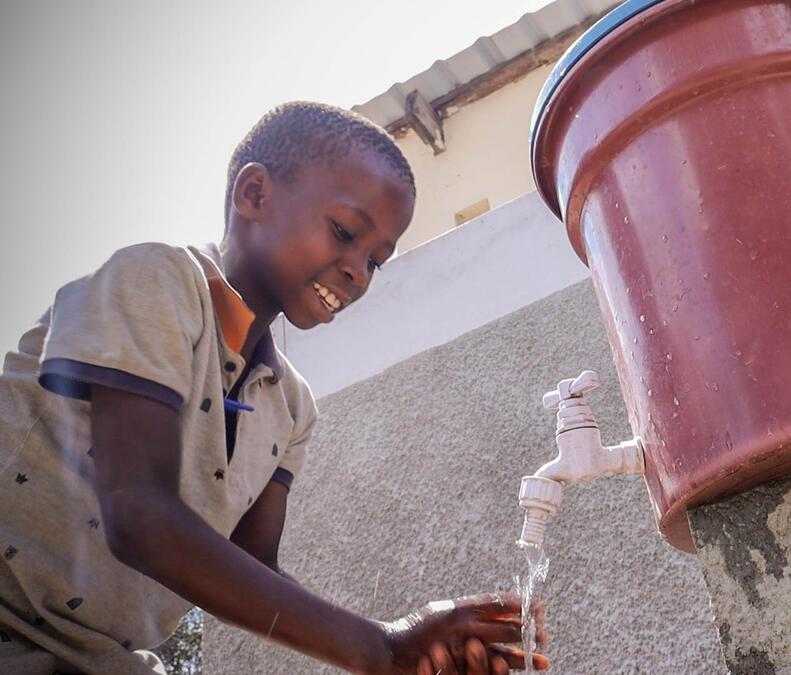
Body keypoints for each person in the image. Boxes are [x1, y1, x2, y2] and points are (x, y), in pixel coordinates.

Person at [0, 101, 547, 674]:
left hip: (91, 657)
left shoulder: (291, 410)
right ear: (255, 195)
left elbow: (251, 565)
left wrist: (413, 648)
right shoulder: (155, 281)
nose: (358, 272)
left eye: (376, 261)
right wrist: (380, 647)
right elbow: (142, 518)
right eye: (343, 232)